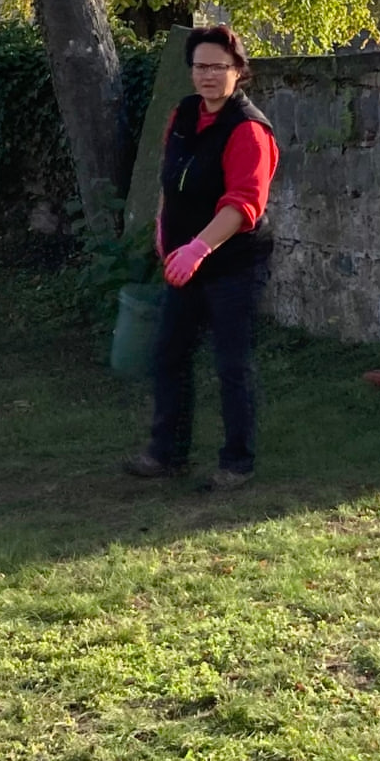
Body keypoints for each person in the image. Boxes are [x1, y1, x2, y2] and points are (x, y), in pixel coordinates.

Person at [122, 26, 281, 491]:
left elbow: (243, 205)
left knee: (232, 363)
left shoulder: (249, 130)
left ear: (238, 71)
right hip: (183, 262)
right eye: (200, 66)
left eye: (218, 67)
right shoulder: (183, 114)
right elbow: (169, 179)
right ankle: (166, 453)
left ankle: (237, 463)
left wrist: (198, 247)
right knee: (169, 353)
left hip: (233, 264)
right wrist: (162, 226)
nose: (208, 75)